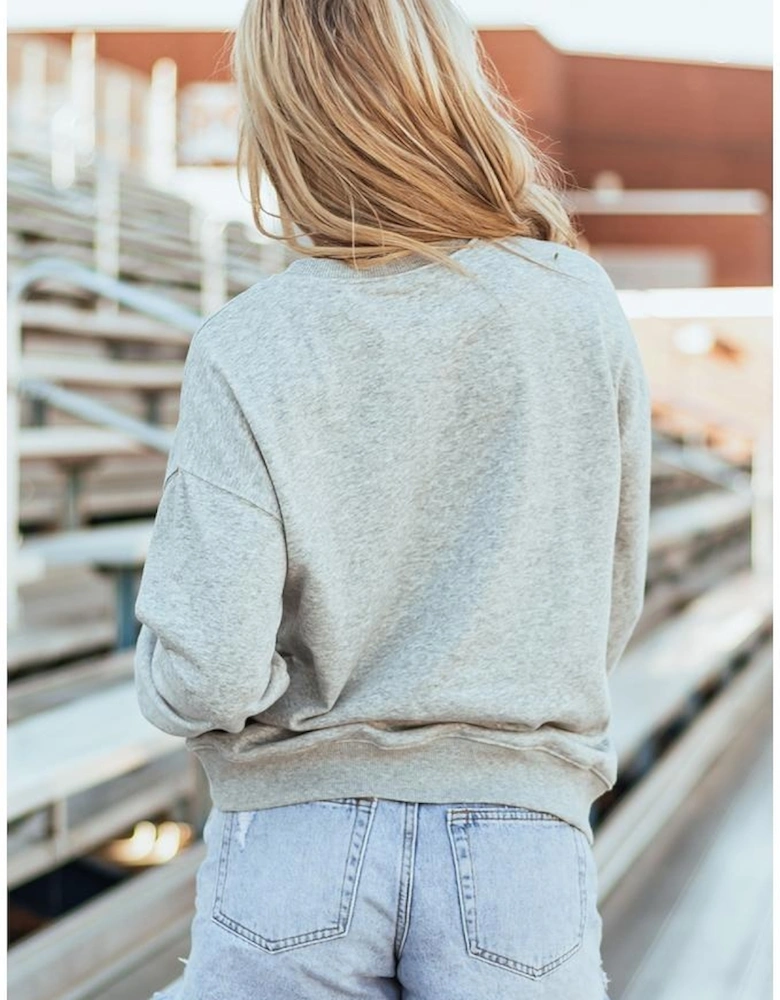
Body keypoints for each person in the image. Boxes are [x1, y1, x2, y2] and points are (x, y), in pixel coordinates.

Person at [133, 1, 652, 997]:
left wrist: (165, 679)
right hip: (519, 852)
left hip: (294, 842)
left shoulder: (249, 344)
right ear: (447, 90)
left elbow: (206, 674)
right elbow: (605, 601)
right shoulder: (575, 308)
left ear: (284, 122)